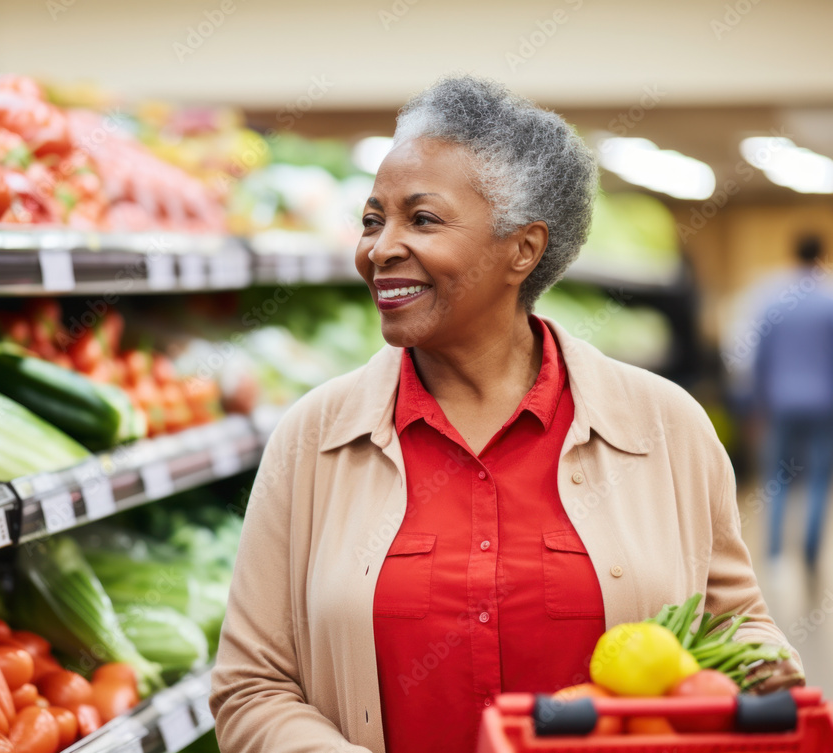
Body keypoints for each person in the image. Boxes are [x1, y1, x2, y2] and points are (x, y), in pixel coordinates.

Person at [210, 76, 804, 753]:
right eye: (374, 219)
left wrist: (764, 677)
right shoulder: (312, 439)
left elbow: (736, 627)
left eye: (421, 219)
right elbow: (252, 686)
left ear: (522, 249)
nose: (379, 248)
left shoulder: (665, 426)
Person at [751, 235, 833, 572]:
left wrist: (756, 402)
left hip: (780, 403)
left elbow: (759, 358)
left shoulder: (773, 300)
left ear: (793, 253)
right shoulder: (829, 301)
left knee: (778, 478)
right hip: (824, 405)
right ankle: (811, 555)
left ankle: (773, 555)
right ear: (822, 256)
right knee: (817, 479)